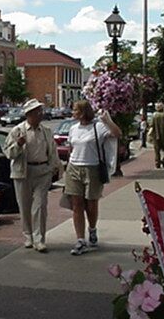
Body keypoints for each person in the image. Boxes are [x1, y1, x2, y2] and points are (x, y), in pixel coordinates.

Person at [65, 100, 121, 256]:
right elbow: (71, 148)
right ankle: (80, 240)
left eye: (75, 110)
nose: (73, 113)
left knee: (91, 203)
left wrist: (107, 121)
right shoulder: (73, 128)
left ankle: (92, 229)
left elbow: (117, 134)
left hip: (93, 168)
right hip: (74, 168)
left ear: (83, 112)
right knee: (77, 204)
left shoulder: (98, 127)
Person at [2, 99, 59, 253]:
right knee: (24, 205)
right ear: (29, 114)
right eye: (37, 112)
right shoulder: (17, 131)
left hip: (42, 171)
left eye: (40, 111)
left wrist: (54, 167)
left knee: (40, 205)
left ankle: (39, 239)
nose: (40, 114)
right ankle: (28, 235)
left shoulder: (46, 131)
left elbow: (52, 150)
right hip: (23, 171)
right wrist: (18, 145)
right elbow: (8, 153)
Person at [150, 102, 164, 169]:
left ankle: (157, 163)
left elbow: (151, 125)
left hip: (156, 135)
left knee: (157, 150)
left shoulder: (154, 115)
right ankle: (163, 159)